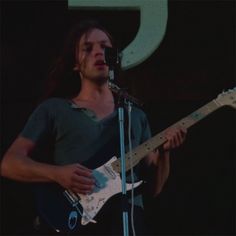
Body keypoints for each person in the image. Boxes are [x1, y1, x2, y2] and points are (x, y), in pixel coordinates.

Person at [1, 19, 187, 235]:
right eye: (88, 49)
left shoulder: (134, 115)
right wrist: (57, 174)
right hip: (80, 222)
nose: (98, 53)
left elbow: (153, 189)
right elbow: (9, 163)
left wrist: (165, 154)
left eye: (105, 48)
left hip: (128, 223)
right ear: (75, 63)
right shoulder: (54, 109)